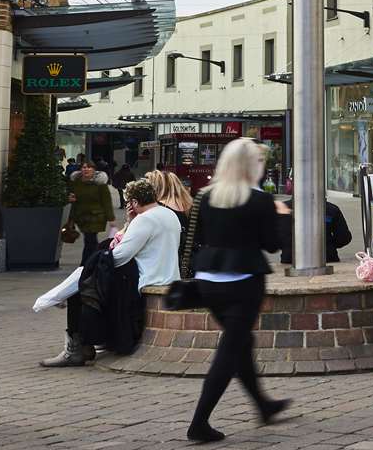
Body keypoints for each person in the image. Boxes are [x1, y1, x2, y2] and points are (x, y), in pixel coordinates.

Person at [187, 138, 291, 443]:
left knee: (240, 341)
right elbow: (271, 244)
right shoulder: (259, 201)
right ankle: (200, 422)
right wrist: (282, 215)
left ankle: (264, 404)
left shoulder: (205, 197)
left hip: (208, 279)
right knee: (230, 349)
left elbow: (201, 237)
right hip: (244, 280)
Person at [41, 178, 183, 367]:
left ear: (133, 202)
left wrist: (103, 256)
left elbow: (120, 256)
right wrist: (131, 222)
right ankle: (88, 340)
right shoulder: (168, 214)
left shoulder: (145, 219)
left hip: (142, 279)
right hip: (165, 275)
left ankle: (77, 348)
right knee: (90, 280)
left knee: (83, 287)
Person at [68, 158, 115, 264]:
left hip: (96, 217)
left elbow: (106, 201)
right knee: (89, 240)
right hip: (81, 217)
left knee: (90, 239)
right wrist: (70, 198)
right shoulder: (76, 182)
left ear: (94, 169)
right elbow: (71, 196)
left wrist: (111, 218)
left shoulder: (100, 184)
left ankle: (87, 262)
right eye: (84, 167)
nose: (86, 169)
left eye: (89, 167)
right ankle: (94, 261)